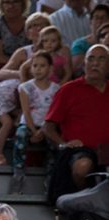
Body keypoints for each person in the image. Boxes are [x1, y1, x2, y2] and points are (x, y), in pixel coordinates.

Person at [0, 11, 50, 167]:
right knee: (8, 122)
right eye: (33, 26)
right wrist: (21, 73)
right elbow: (0, 73)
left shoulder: (50, 56)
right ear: (27, 31)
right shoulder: (24, 52)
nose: (37, 30)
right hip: (5, 94)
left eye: (41, 26)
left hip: (28, 99)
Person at [43, 44, 109, 205]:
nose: (95, 63)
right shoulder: (68, 90)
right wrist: (63, 144)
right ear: (84, 64)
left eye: (101, 59)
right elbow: (48, 128)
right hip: (80, 150)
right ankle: (84, 204)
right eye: (91, 59)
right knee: (82, 166)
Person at [8, 52, 59, 191]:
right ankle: (18, 172)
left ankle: (50, 177)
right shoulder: (25, 87)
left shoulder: (56, 89)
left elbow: (53, 113)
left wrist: (43, 129)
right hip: (29, 124)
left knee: (54, 142)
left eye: (42, 66)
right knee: (21, 134)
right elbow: (26, 111)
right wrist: (34, 131)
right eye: (35, 65)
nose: (38, 69)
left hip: (47, 125)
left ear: (50, 68)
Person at [71, 5, 109, 75]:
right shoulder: (80, 44)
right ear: (90, 22)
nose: (100, 21)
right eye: (96, 18)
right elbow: (76, 69)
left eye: (103, 18)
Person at [0, 0, 28, 65]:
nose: (11, 6)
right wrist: (14, 66)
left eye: (15, 2)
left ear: (23, 4)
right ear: (1, 5)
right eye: (7, 2)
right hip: (2, 67)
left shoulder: (30, 23)